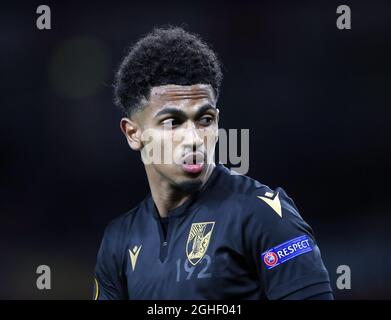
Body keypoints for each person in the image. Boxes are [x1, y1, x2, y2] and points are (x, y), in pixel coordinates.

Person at [93, 26, 333, 300]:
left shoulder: (261, 215)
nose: (194, 139)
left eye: (205, 120)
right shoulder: (119, 240)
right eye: (173, 122)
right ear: (133, 134)